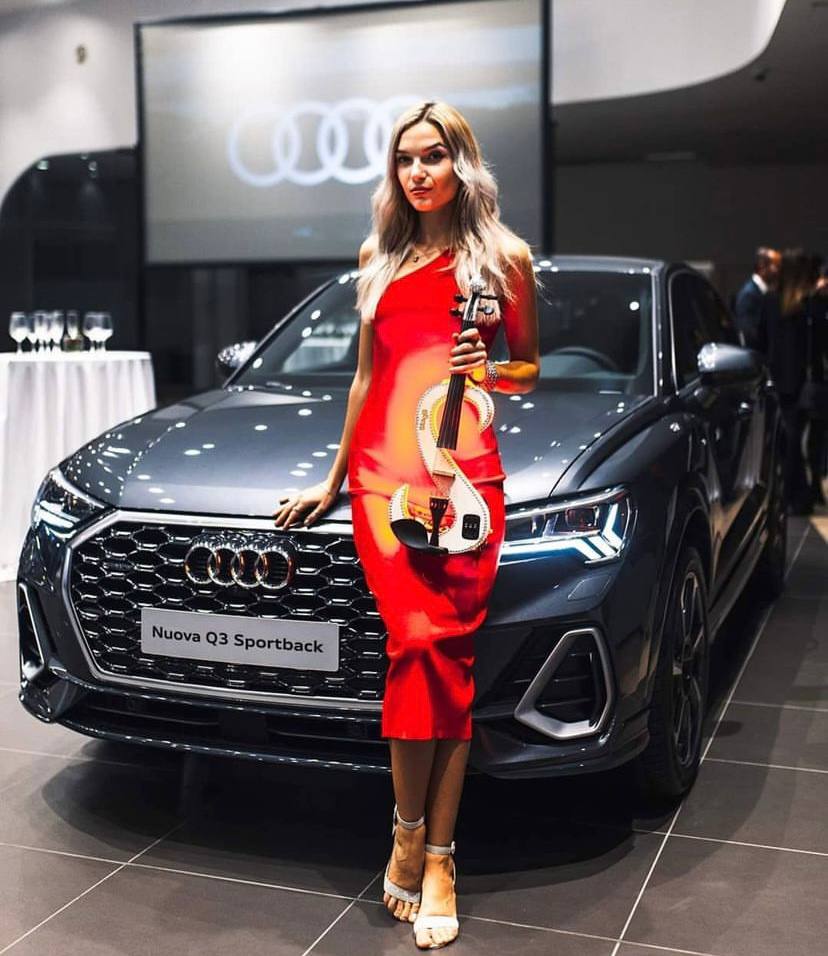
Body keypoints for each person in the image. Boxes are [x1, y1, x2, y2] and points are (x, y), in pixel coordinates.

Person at [272, 101, 539, 950]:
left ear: (463, 163)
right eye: (404, 159)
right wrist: (333, 480)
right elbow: (364, 378)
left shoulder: (504, 259)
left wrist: (490, 366)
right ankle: (409, 832)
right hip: (385, 479)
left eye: (433, 156)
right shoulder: (377, 258)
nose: (418, 172)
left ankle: (438, 855)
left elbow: (529, 371)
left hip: (463, 478)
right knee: (413, 643)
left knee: (447, 656)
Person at [763, 248, 817, 514]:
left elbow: (763, 343)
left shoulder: (772, 302)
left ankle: (793, 497)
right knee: (792, 445)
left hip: (779, 384)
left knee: (788, 445)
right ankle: (794, 497)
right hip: (796, 386)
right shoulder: (805, 306)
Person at [734, 246, 781, 351]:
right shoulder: (749, 295)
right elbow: (749, 335)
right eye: (775, 265)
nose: (777, 270)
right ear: (762, 266)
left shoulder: (763, 293)